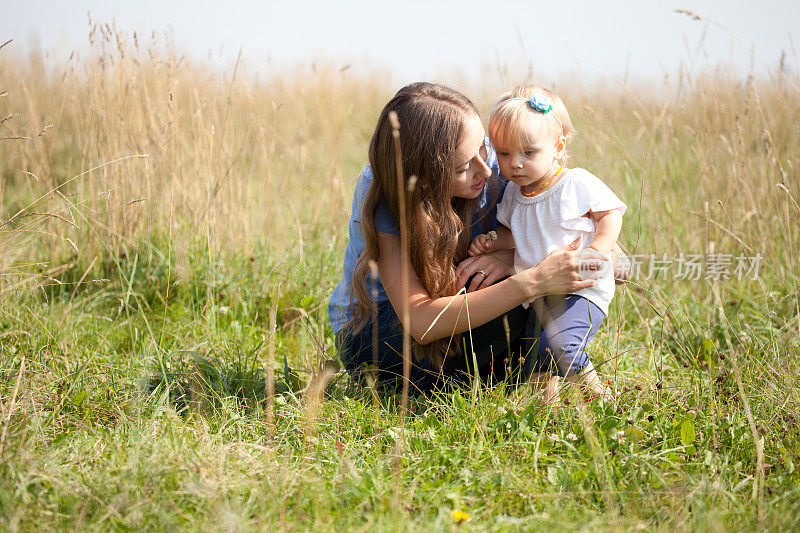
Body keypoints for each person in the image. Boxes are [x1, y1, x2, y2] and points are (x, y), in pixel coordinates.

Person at [328, 82, 604, 397]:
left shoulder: (505, 157)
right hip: (379, 331)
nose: (487, 170)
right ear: (424, 175)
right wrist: (532, 279)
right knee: (516, 295)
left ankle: (504, 377)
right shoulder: (385, 190)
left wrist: (508, 260)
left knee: (519, 298)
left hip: (457, 300)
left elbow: (570, 220)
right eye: (462, 167)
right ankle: (472, 381)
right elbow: (420, 321)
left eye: (483, 148)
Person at [468, 85, 626, 400]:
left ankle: (603, 400)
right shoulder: (513, 194)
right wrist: (494, 241)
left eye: (529, 152)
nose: (515, 164)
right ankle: (545, 415)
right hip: (539, 290)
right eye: (505, 153)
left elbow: (609, 214)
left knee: (560, 345)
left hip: (580, 286)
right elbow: (517, 233)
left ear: (557, 147)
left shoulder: (574, 183)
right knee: (537, 361)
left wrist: (599, 249)